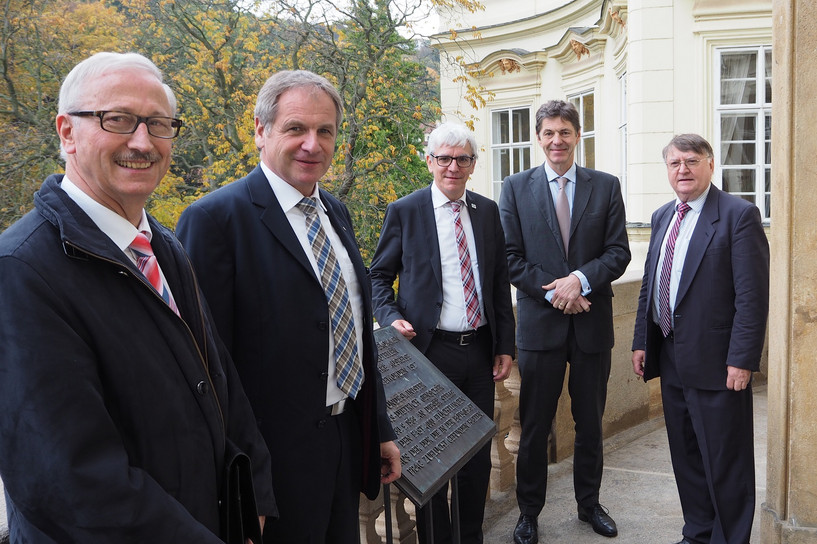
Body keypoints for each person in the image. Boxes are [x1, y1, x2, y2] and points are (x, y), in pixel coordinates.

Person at [0, 51, 276, 542]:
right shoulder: (21, 272)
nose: (143, 142)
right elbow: (69, 479)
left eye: (159, 124)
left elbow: (221, 383)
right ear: (67, 132)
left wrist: (251, 500)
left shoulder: (161, 246)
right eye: (118, 120)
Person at [175, 70, 401, 544]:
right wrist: (242, 484)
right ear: (261, 130)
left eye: (325, 131)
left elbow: (354, 331)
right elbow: (206, 369)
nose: (312, 145)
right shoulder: (215, 220)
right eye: (296, 128)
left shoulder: (334, 212)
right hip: (270, 466)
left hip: (344, 448)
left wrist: (377, 428)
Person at [370, 122, 516, 544]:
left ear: (473, 164)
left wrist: (505, 344)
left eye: (463, 158)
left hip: (480, 352)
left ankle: (470, 537)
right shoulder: (406, 210)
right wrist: (388, 316)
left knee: (474, 459)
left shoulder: (487, 211)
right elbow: (378, 276)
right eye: (444, 158)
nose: (453, 166)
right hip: (428, 355)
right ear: (430, 161)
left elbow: (496, 283)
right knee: (431, 460)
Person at [499, 100, 631, 544]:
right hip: (539, 327)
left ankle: (589, 505)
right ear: (539, 137)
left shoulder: (606, 186)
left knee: (590, 422)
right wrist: (558, 291)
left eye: (565, 132)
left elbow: (618, 252)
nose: (557, 140)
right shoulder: (515, 188)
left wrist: (579, 280)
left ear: (578, 135)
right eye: (549, 133)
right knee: (534, 425)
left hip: (592, 325)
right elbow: (510, 259)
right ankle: (529, 513)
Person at [631, 134, 769, 544]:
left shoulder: (738, 215)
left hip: (718, 361)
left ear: (710, 165)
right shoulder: (661, 216)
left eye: (691, 161)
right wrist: (642, 341)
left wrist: (741, 359)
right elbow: (650, 285)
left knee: (726, 461)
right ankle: (699, 533)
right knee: (686, 456)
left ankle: (729, 539)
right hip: (671, 355)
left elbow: (751, 296)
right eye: (675, 163)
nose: (683, 170)